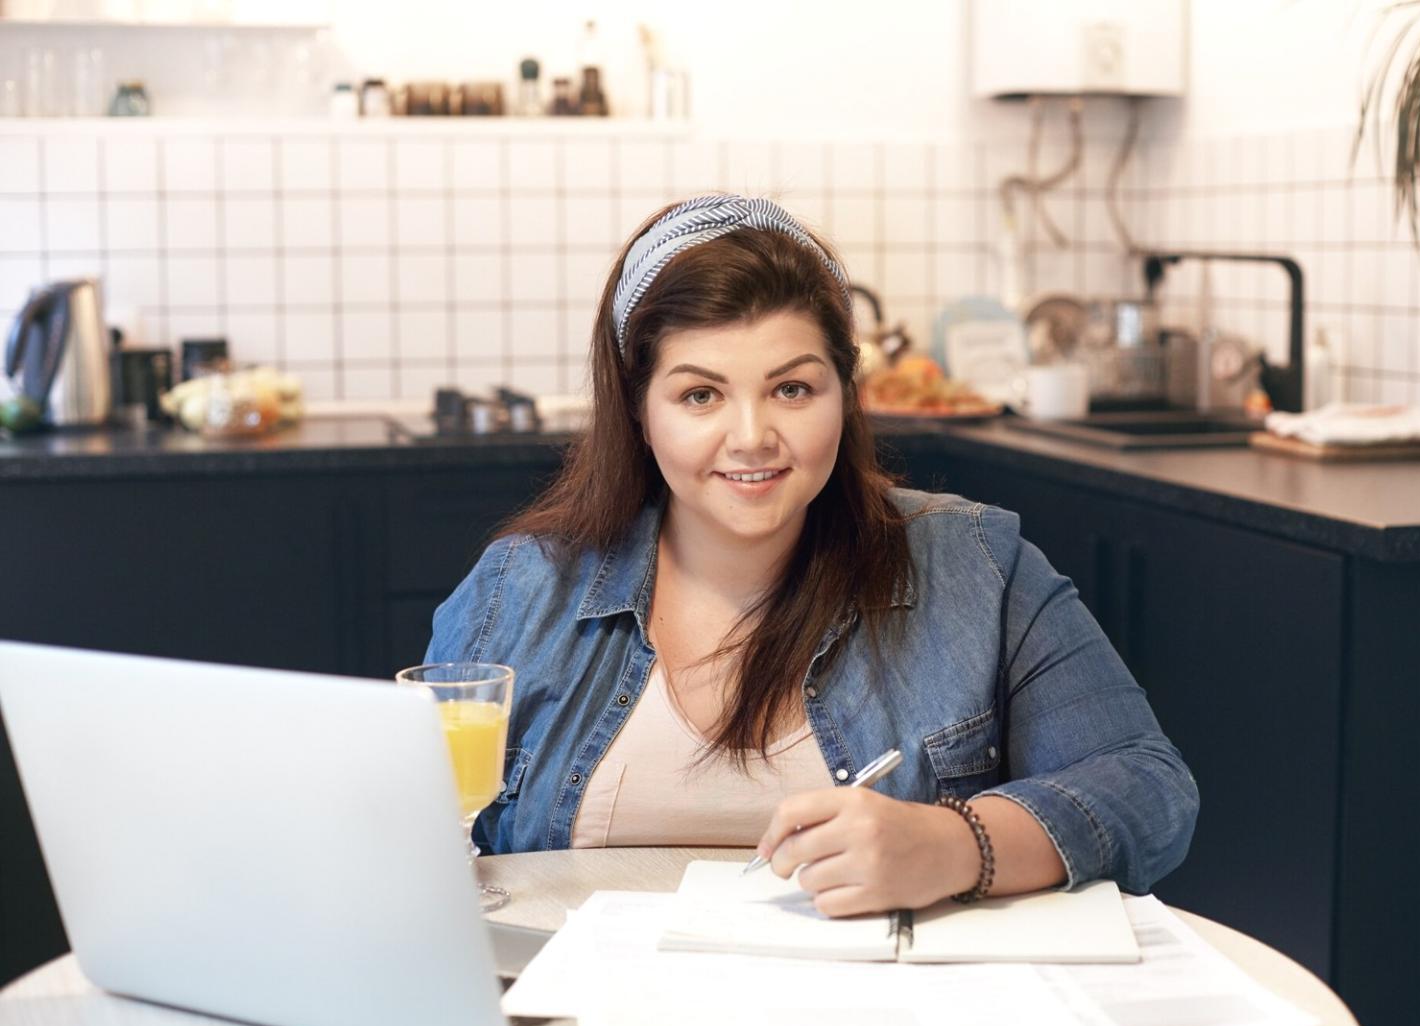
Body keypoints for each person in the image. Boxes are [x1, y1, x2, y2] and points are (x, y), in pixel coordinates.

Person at [426, 194, 1197, 916]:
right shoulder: (518, 589)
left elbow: (1148, 787)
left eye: (792, 389)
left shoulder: (973, 565)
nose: (753, 435)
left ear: (845, 390)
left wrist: (957, 843)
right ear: (638, 410)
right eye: (701, 395)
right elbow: (405, 833)